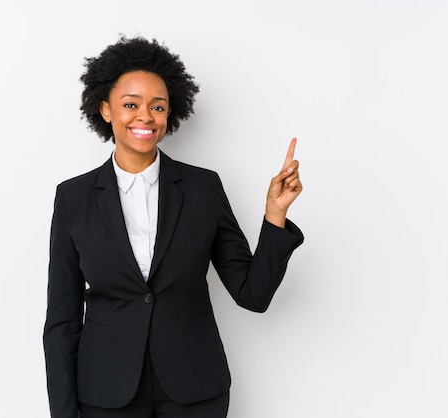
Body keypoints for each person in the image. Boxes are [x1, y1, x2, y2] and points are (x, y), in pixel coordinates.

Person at [43, 35, 304, 418]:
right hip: (106, 394)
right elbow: (62, 320)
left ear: (170, 113)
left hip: (194, 390)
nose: (145, 116)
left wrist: (275, 214)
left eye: (158, 106)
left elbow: (253, 294)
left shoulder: (203, 188)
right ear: (105, 110)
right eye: (130, 104)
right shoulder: (73, 198)